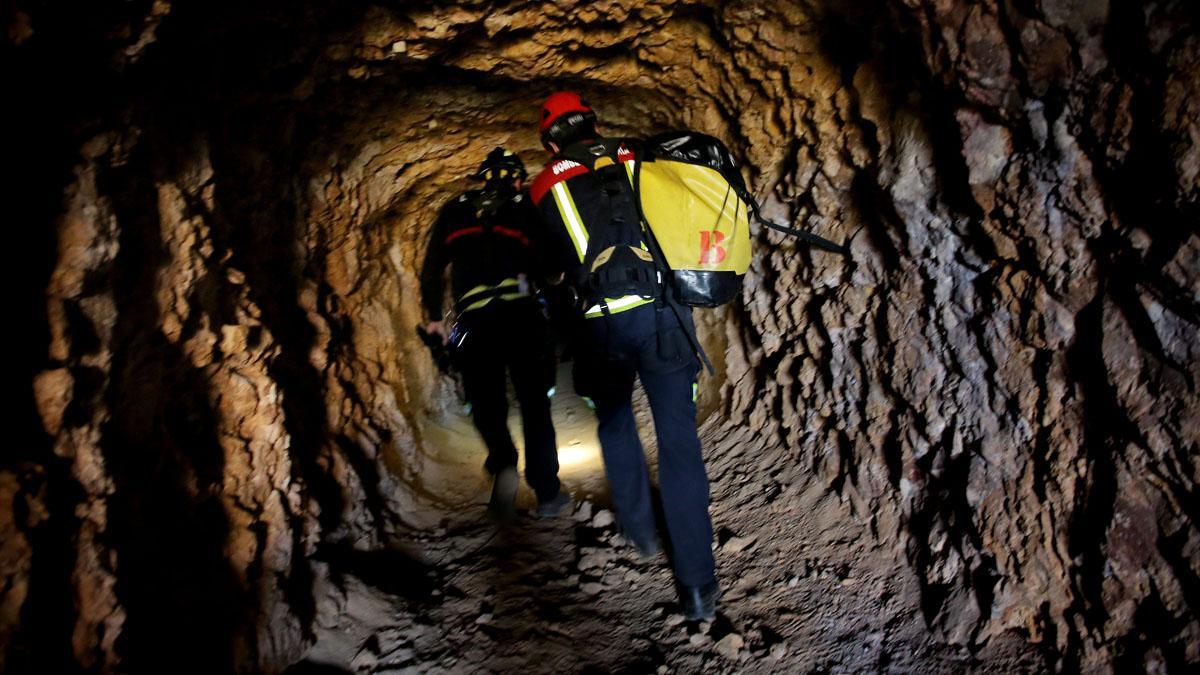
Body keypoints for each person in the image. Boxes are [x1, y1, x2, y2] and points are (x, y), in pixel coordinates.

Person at [528, 92, 720, 620]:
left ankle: (639, 531)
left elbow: (548, 264)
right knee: (680, 442)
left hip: (600, 325)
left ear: (550, 142)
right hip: (665, 316)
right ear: (593, 123)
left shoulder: (545, 184)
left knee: (615, 422)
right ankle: (699, 587)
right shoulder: (640, 156)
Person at [420, 148, 572, 522]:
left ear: (482, 177)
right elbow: (552, 267)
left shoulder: (455, 208)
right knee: (534, 402)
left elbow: (432, 268)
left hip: (474, 319)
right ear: (517, 179)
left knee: (486, 401)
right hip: (521, 315)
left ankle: (503, 462)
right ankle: (547, 492)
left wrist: (436, 319)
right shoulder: (523, 208)